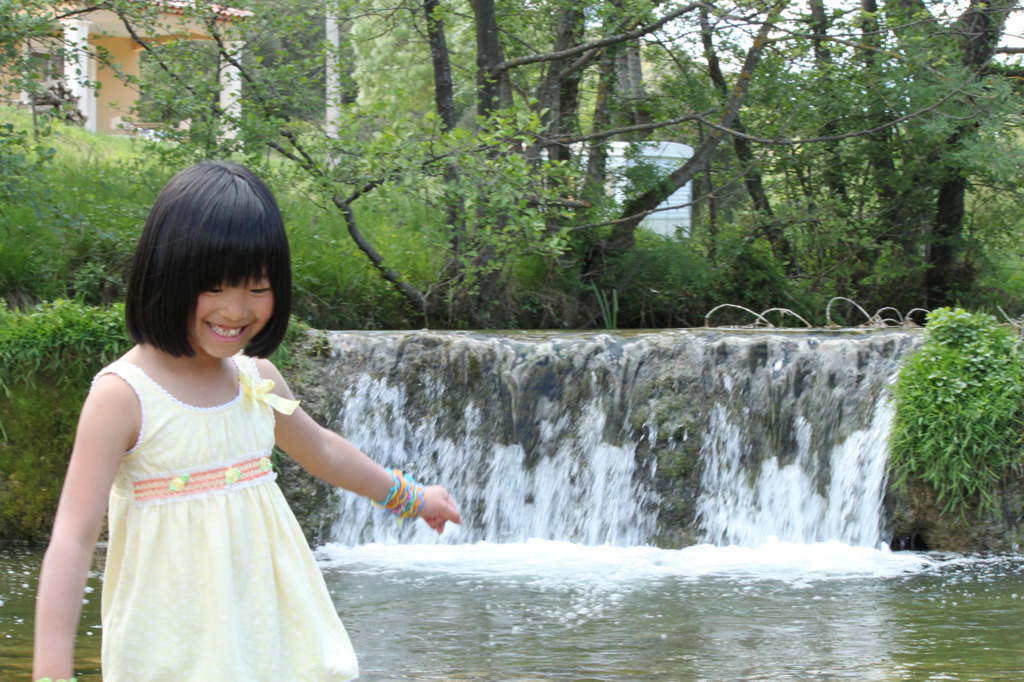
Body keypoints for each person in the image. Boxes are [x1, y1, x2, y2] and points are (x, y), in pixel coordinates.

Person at [32, 161, 461, 682]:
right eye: (214, 287)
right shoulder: (124, 396)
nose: (236, 310)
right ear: (165, 276)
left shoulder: (255, 379)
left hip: (270, 639)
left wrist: (412, 497)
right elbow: (73, 540)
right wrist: (52, 670)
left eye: (257, 288)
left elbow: (322, 450)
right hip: (175, 647)